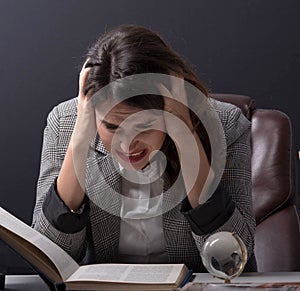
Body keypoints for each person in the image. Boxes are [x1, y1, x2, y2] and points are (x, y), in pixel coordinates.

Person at [32, 24, 257, 272]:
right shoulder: (66, 124)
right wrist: (83, 133)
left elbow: (233, 259)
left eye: (145, 126)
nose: (128, 144)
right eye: (112, 126)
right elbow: (48, 258)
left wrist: (184, 131)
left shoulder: (225, 125)